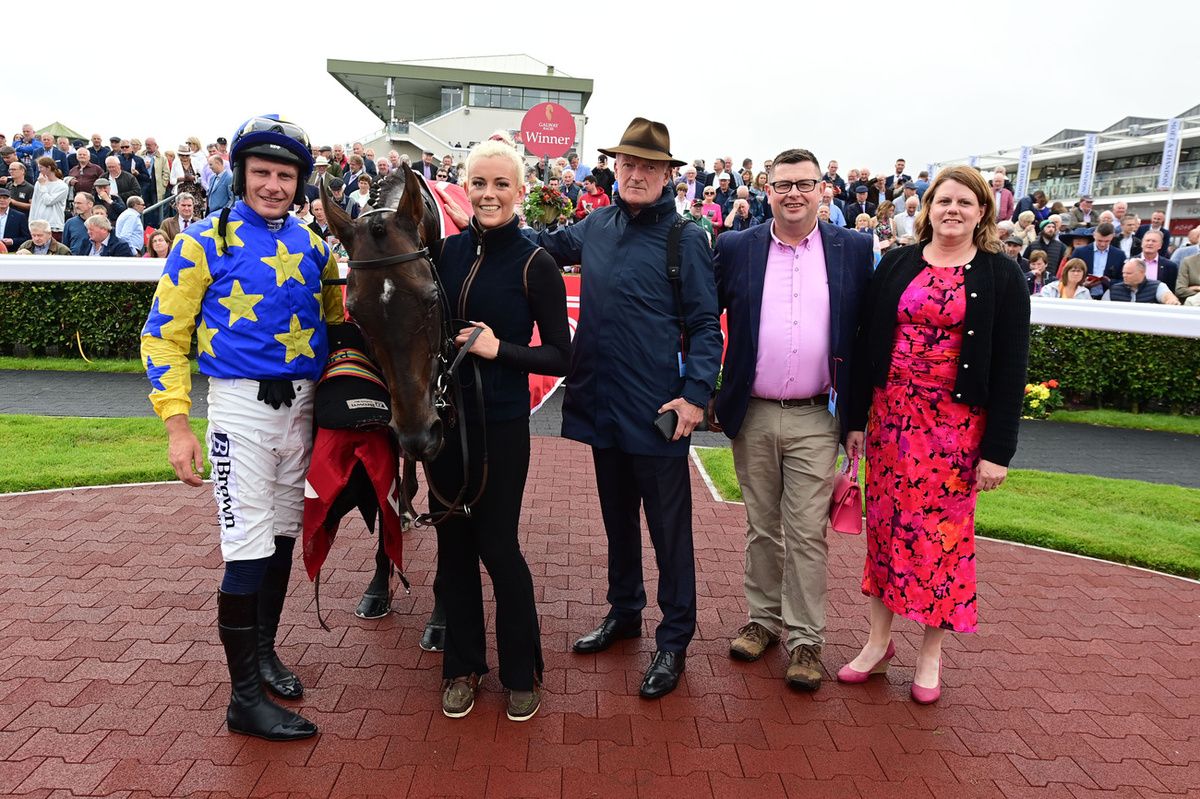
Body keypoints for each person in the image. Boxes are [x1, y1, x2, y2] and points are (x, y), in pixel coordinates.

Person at [140, 115, 344, 742]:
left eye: (286, 175)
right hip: (239, 411)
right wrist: (177, 426)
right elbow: (162, 337)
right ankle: (244, 700)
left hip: (303, 409)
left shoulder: (316, 248)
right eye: (263, 173)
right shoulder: (201, 243)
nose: (274, 185)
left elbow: (338, 328)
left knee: (282, 537)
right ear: (240, 174)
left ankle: (261, 655)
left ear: (300, 182)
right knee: (247, 546)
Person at [534, 118, 722, 699]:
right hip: (600, 401)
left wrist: (695, 397)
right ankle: (625, 612)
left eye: (648, 166)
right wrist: (477, 208)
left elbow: (704, 327)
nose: (635, 174)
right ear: (615, 169)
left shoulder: (685, 237)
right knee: (617, 520)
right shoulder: (595, 223)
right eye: (627, 164)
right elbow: (534, 245)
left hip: (657, 408)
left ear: (667, 174)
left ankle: (674, 641)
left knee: (669, 531)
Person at [842, 165, 1030, 704]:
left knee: (939, 542)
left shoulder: (1001, 274)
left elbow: (1012, 366)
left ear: (983, 213)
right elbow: (865, 343)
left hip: (954, 434)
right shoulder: (898, 262)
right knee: (885, 531)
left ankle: (930, 654)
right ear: (927, 208)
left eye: (965, 203)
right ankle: (878, 644)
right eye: (943, 200)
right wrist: (854, 420)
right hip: (889, 423)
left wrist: (998, 451)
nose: (953, 210)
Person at [712, 148, 873, 690]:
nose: (794, 194)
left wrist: (856, 418)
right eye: (783, 185)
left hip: (817, 416)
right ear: (767, 190)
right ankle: (763, 621)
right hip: (752, 412)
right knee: (762, 526)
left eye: (805, 184)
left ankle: (806, 640)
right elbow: (705, 321)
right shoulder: (735, 246)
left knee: (806, 532)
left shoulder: (854, 248)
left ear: (823, 188)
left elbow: (866, 338)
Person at [421, 139, 570, 722]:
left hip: (502, 424)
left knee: (498, 547)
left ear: (520, 192)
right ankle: (460, 668)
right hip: (444, 423)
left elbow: (562, 356)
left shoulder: (536, 263)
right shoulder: (446, 253)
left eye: (501, 184)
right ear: (466, 187)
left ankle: (520, 671)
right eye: (479, 183)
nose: (488, 194)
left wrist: (496, 347)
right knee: (452, 546)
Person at [1103, 259, 1181, 304]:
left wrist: (1171, 301)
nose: (1124, 276)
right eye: (1123, 273)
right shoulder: (1113, 290)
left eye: (1129, 273)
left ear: (1142, 272)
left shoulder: (1157, 286)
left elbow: (1167, 296)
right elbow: (1103, 308)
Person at [29, 156, 69, 238]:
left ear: (48, 168)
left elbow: (48, 201)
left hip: (54, 226)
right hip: (38, 225)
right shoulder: (38, 183)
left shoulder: (62, 186)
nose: (39, 170)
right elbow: (35, 203)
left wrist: (43, 185)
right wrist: (31, 222)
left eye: (41, 167)